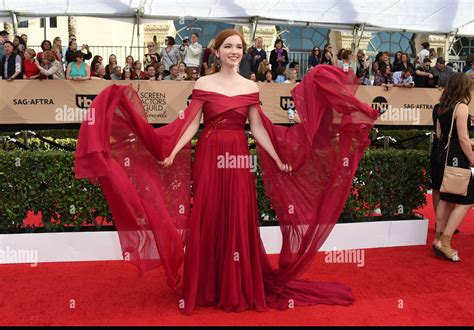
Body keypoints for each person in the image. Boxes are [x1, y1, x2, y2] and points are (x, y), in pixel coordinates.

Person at [74, 29, 379, 315]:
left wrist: (278, 157)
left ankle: (236, 285)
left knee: (236, 214)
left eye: (239, 47)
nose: (234, 51)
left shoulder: (251, 86)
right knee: (208, 213)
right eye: (228, 47)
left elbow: (257, 128)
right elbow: (192, 124)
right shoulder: (203, 84)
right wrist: (172, 150)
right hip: (209, 153)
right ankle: (207, 286)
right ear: (216, 52)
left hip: (238, 156)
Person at [432, 73, 473, 261]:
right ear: (463, 87)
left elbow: (439, 134)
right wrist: (472, 159)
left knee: (446, 199)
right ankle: (446, 242)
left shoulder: (441, 107)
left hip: (443, 156)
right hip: (458, 157)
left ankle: (438, 239)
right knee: (467, 200)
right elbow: (464, 138)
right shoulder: (462, 106)